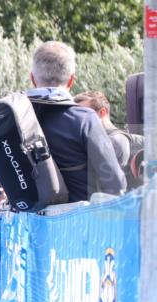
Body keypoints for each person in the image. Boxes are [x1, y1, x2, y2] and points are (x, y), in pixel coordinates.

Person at [23, 41, 124, 201]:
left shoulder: (17, 119)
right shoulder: (85, 119)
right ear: (71, 80)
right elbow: (115, 182)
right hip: (80, 221)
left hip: (29, 222)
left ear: (33, 79)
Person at [73, 90, 143, 188]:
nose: (79, 120)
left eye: (84, 115)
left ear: (102, 112)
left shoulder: (114, 142)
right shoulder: (113, 139)